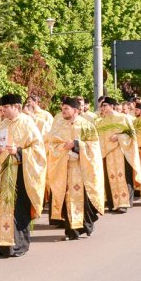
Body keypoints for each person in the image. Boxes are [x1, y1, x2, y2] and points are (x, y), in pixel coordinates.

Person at [0, 94, 46, 257]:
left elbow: (38, 150)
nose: (2, 111)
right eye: (2, 108)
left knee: (18, 210)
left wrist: (18, 151)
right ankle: (3, 246)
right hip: (1, 173)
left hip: (19, 173)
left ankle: (19, 246)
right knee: (0, 208)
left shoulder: (27, 123)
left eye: (6, 108)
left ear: (16, 107)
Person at [45, 97, 103, 240]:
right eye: (63, 109)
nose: (63, 111)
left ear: (75, 110)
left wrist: (77, 144)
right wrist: (63, 148)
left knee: (84, 200)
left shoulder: (86, 125)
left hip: (82, 169)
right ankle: (71, 231)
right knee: (67, 199)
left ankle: (86, 225)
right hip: (65, 168)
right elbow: (51, 145)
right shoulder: (59, 126)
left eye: (66, 109)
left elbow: (94, 146)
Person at [96, 96, 141, 213]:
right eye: (102, 106)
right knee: (109, 178)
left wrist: (119, 136)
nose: (103, 108)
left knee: (122, 177)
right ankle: (112, 203)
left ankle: (123, 203)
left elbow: (131, 134)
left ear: (112, 106)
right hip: (107, 154)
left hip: (121, 152)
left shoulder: (123, 118)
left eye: (105, 105)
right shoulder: (101, 122)